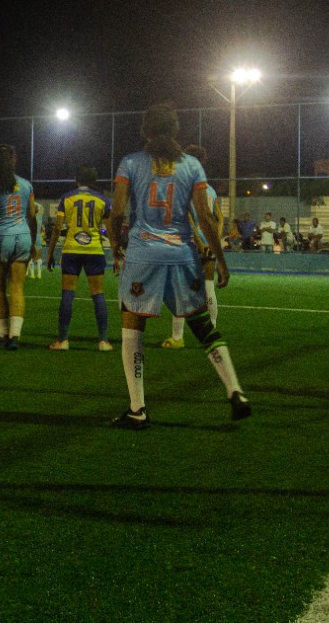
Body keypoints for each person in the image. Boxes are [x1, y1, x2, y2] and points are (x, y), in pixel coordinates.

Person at [108, 104, 249, 429]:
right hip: (182, 256)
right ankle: (235, 391)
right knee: (202, 325)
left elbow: (116, 211)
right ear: (175, 131)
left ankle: (137, 409)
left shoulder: (130, 163)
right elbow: (206, 218)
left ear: (145, 130)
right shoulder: (191, 166)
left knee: (133, 329)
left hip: (144, 255)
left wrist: (116, 248)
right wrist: (221, 260)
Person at [45, 164, 111, 351]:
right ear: (94, 180)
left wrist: (50, 254)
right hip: (94, 251)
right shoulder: (103, 200)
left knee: (68, 294)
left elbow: (57, 227)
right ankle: (104, 341)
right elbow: (110, 227)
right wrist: (117, 250)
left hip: (71, 250)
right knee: (98, 294)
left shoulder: (67, 198)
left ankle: (63, 340)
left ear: (77, 179)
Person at [163, 144, 223, 348]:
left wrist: (198, 241)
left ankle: (177, 338)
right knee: (208, 287)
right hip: (208, 243)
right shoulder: (210, 189)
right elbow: (219, 217)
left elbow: (187, 218)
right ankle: (211, 331)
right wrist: (214, 240)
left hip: (189, 243)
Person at [0, 144, 38, 350]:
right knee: (17, 288)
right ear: (13, 161)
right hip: (22, 237)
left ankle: (3, 334)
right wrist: (34, 244)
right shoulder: (26, 185)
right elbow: (32, 217)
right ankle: (15, 336)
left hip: (2, 238)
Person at [28, 204, 46, 279]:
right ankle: (39, 274)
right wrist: (36, 204)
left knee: (30, 257)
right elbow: (42, 208)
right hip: (38, 237)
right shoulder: (39, 217)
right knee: (39, 257)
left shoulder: (28, 217)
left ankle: (32, 274)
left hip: (30, 238)